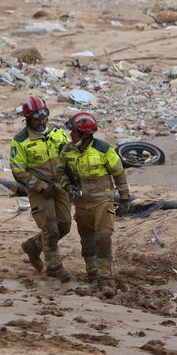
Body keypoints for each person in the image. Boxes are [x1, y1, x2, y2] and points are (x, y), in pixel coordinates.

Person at [60, 112, 130, 298]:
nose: (70, 134)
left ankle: (105, 278)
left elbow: (119, 174)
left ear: (83, 133)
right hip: (81, 204)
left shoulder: (104, 150)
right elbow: (62, 174)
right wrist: (67, 186)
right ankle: (92, 273)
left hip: (102, 202)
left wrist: (124, 198)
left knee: (104, 236)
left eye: (73, 131)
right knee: (87, 239)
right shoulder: (67, 151)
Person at [9, 96, 72, 281]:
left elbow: (69, 157)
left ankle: (33, 246)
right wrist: (40, 186)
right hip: (39, 189)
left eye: (44, 116)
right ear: (28, 119)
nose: (41, 121)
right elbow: (17, 170)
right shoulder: (20, 141)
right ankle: (54, 267)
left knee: (64, 226)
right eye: (36, 118)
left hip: (61, 185)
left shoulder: (58, 133)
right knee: (50, 228)